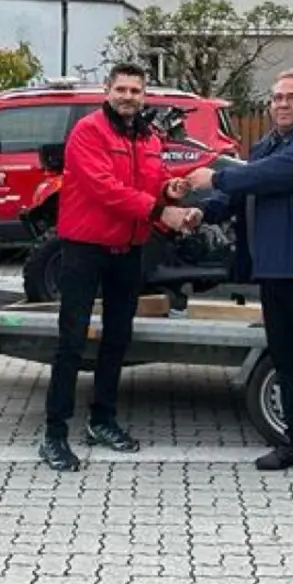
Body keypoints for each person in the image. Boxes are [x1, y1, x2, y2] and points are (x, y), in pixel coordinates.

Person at [188, 69, 293, 485]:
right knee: (288, 363)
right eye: (276, 98)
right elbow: (242, 192)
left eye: (291, 97)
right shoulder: (268, 144)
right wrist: (202, 210)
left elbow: (267, 176)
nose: (281, 104)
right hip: (278, 271)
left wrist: (215, 176)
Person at [39, 63, 194, 472]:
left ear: (144, 95)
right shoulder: (89, 132)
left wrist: (169, 188)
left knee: (117, 340)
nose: (129, 96)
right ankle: (54, 434)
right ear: (107, 90)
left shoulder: (147, 136)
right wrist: (163, 211)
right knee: (71, 342)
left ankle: (102, 420)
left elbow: (154, 177)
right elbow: (104, 190)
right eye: (122, 89)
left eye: (136, 90)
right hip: (85, 248)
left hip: (128, 249)